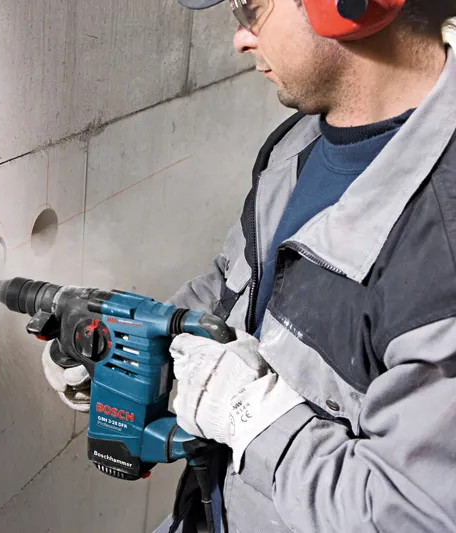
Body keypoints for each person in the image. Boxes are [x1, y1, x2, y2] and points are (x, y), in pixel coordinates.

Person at [42, 0, 456, 531]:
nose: (240, 38)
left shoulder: (440, 243)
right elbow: (232, 290)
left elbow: (415, 515)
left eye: (253, 8)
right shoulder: (299, 144)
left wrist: (250, 414)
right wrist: (134, 347)